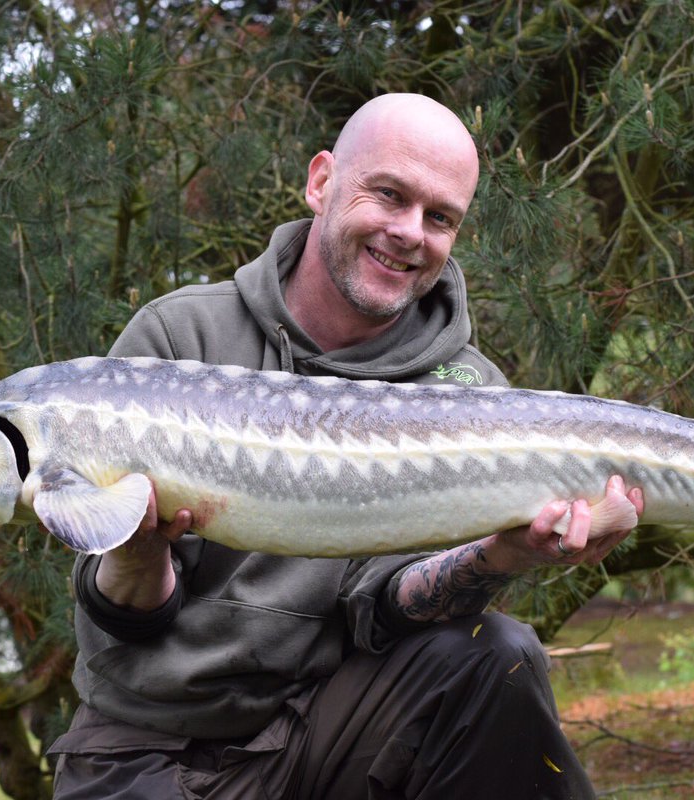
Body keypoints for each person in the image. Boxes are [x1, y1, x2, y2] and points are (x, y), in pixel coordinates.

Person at [48, 93, 644, 800]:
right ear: (321, 181)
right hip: (143, 747)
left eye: (440, 217)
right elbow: (122, 617)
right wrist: (139, 549)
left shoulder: (470, 395)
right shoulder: (178, 340)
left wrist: (503, 555)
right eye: (389, 194)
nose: (409, 232)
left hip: (328, 733)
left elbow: (387, 609)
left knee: (498, 654)